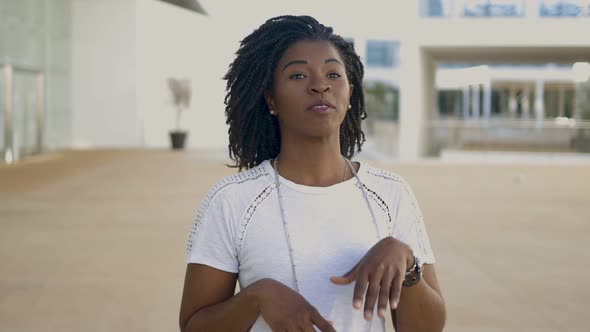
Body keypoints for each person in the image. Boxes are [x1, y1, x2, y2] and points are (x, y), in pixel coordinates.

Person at [179, 15, 445, 332]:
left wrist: (407, 265)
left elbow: (428, 328)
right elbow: (194, 325)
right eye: (297, 75)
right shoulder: (232, 200)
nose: (320, 85)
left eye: (333, 73)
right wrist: (255, 298)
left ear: (349, 94)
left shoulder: (391, 193)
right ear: (271, 99)